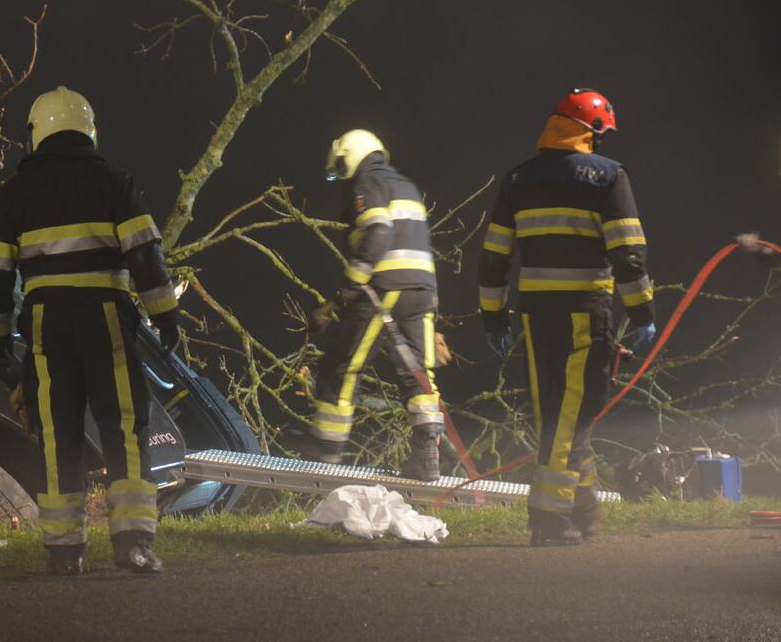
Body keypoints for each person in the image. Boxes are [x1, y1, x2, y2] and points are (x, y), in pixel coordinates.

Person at [0, 86, 180, 575]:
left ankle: (64, 551)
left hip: (47, 323)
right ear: (88, 128)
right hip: (105, 316)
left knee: (57, 433)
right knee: (125, 428)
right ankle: (133, 543)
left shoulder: (13, 194)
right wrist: (167, 315)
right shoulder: (115, 181)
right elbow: (145, 256)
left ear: (37, 133)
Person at [478, 89, 656, 546]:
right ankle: (548, 520)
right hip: (584, 315)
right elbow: (628, 256)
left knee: (559, 414)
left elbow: (494, 254)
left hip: (535, 315)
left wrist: (493, 316)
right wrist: (642, 315)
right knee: (571, 416)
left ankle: (584, 509)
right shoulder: (608, 177)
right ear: (591, 133)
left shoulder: (518, 179)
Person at [281, 129, 447, 481]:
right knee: (418, 373)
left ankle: (326, 444)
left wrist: (353, 284)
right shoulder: (407, 186)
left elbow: (378, 232)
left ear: (350, 155)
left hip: (381, 288)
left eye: (340, 166)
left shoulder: (367, 181)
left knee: (342, 364)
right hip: (422, 291)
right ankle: (426, 454)